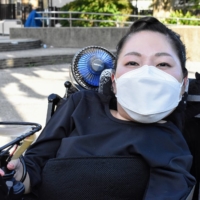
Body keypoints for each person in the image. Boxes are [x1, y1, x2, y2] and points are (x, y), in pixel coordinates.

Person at [0, 17, 196, 199]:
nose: (146, 74)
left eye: (162, 64)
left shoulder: (173, 148)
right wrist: (15, 173)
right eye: (132, 62)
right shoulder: (80, 104)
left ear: (183, 84)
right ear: (114, 79)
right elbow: (33, 166)